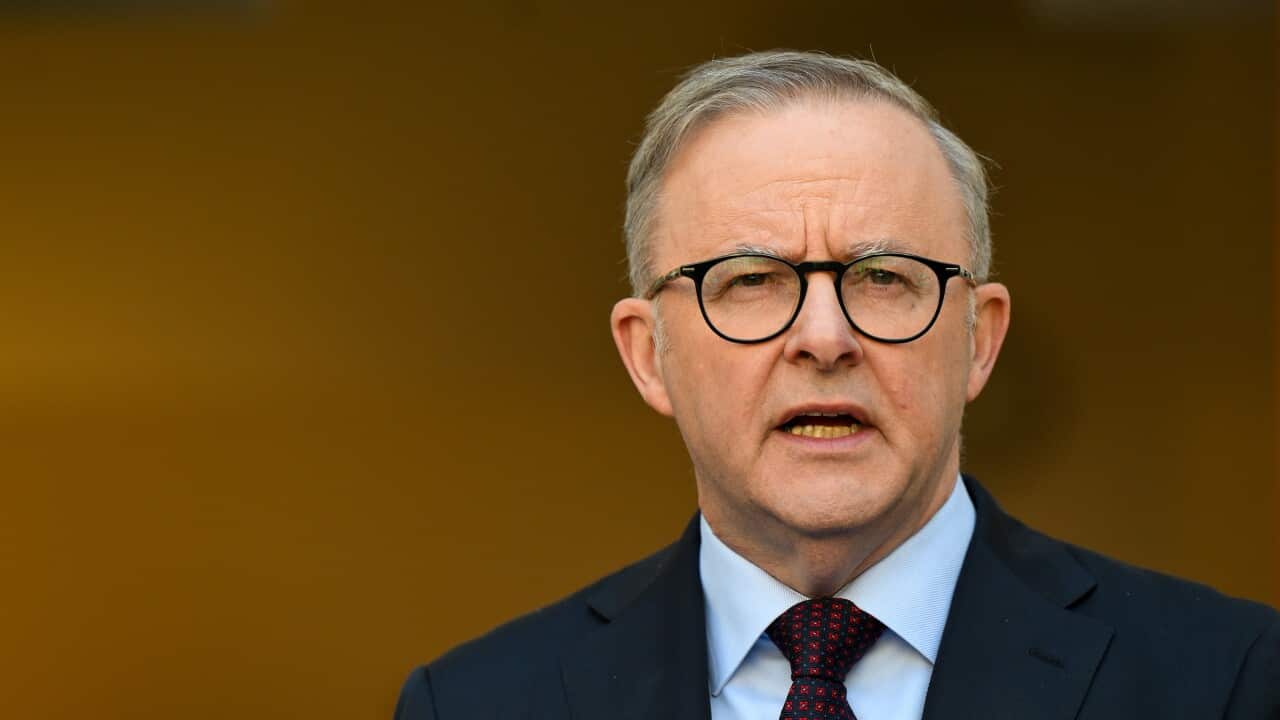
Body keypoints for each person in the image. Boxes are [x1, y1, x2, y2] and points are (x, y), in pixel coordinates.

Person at [394, 50, 1279, 720]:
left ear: (980, 339)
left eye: (886, 277)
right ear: (647, 353)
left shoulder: (1234, 678)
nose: (825, 338)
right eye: (749, 280)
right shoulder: (473, 703)